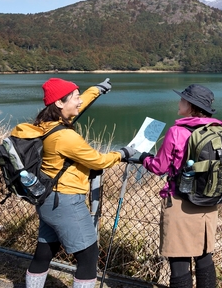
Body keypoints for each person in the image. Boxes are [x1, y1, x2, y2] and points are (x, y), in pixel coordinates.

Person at [16, 77, 140, 288]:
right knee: (89, 256)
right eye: (75, 98)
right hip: (66, 202)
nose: (79, 101)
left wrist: (96, 90)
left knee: (45, 251)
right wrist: (122, 153)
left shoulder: (47, 124)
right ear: (59, 103)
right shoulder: (65, 137)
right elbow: (98, 160)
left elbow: (77, 106)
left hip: (47, 198)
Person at [137, 84, 222, 288]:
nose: (179, 103)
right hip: (209, 199)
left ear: (190, 106)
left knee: (179, 260)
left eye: (182, 100)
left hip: (180, 200)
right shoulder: (219, 129)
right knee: (204, 256)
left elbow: (159, 167)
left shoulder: (176, 131)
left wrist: (143, 158)